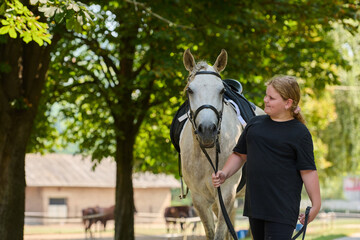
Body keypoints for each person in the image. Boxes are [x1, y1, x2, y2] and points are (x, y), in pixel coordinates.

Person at [212, 75, 321, 239]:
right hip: (255, 207)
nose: (266, 100)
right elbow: (239, 154)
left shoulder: (299, 133)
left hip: (282, 210)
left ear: (288, 103)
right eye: (266, 95)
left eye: (271, 98)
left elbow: (308, 171)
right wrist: (225, 173)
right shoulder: (255, 125)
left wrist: (316, 205)